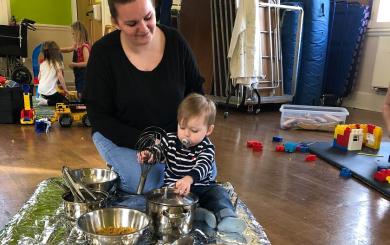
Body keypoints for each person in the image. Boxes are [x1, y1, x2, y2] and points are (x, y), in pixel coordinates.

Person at [84, 0, 216, 194]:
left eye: (148, 17)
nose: (144, 29)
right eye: (132, 24)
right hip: (120, 135)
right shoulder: (103, 53)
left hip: (174, 137)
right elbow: (99, 117)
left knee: (207, 173)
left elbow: (195, 92)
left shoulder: (176, 42)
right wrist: (148, 143)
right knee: (145, 182)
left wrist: (187, 132)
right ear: (116, 22)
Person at [139, 93, 246, 233]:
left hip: (201, 187)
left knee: (219, 193)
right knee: (168, 200)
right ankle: (198, 213)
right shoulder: (170, 140)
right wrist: (150, 154)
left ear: (208, 130)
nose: (186, 134)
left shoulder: (206, 147)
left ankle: (227, 217)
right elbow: (159, 151)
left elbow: (203, 165)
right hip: (176, 190)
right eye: (182, 127)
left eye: (194, 130)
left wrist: (189, 179)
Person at [61, 21, 91, 99]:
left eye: (73, 34)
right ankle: (80, 100)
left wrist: (75, 64)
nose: (72, 36)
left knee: (82, 89)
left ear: (79, 33)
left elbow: (87, 63)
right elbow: (68, 49)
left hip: (84, 73)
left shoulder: (84, 47)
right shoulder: (76, 45)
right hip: (78, 72)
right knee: (78, 88)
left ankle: (84, 104)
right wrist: (58, 49)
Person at [37, 41, 69, 106]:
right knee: (66, 102)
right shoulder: (58, 63)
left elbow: (39, 78)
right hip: (49, 93)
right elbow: (60, 77)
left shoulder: (42, 63)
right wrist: (65, 89)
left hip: (40, 90)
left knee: (57, 95)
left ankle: (43, 98)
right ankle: (46, 102)